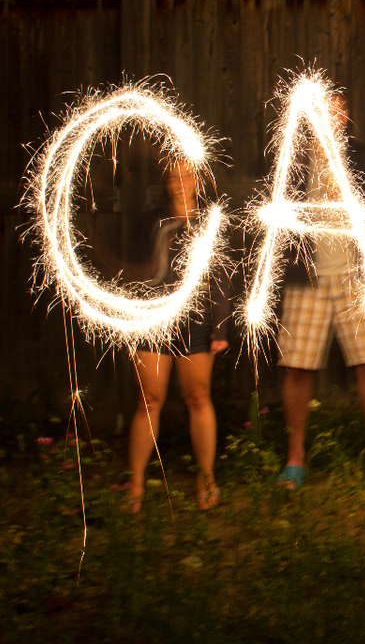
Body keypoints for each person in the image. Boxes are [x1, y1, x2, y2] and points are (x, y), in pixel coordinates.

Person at [274, 96, 365, 490]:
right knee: (297, 367)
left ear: (345, 116)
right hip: (305, 277)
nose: (330, 116)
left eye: (337, 109)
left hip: (353, 278)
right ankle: (295, 458)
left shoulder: (360, 155)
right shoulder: (292, 157)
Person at [126, 161, 231, 513]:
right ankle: (136, 485)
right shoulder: (149, 222)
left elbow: (221, 276)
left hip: (197, 321)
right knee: (149, 399)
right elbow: (133, 274)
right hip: (154, 321)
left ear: (197, 181)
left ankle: (206, 479)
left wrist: (221, 325)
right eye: (173, 176)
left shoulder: (210, 222)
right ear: (165, 182)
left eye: (186, 175)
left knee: (198, 396)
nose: (179, 182)